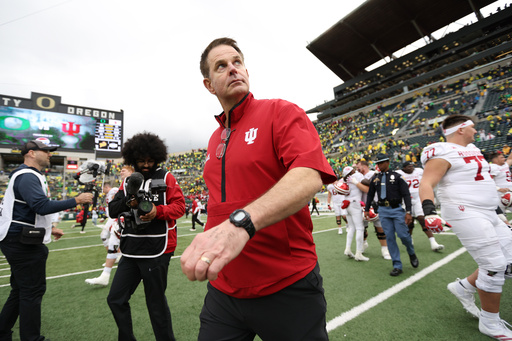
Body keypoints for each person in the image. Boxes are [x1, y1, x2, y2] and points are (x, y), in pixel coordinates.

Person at [181, 37, 336, 340]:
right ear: (209, 85)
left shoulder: (280, 112)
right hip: (223, 290)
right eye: (221, 66)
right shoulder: (214, 140)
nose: (233, 69)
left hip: (286, 285)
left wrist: (242, 224)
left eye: (237, 62)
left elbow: (309, 175)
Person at [419, 114, 512, 339]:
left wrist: (500, 202)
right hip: (465, 211)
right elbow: (427, 182)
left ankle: (463, 287)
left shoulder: (475, 150)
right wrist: (430, 212)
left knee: (508, 261)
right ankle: (489, 323)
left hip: (488, 211)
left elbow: (483, 184)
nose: (475, 131)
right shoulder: (443, 150)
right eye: (472, 127)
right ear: (461, 129)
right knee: (494, 264)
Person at [0, 139, 93, 341]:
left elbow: (28, 209)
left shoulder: (28, 175)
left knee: (20, 290)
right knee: (32, 290)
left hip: (18, 237)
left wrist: (50, 228)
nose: (50, 154)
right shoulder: (27, 176)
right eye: (47, 151)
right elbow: (40, 205)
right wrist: (76, 199)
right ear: (31, 153)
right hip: (21, 240)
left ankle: (3, 332)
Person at [106, 132, 185, 341]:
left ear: (157, 158)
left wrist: (156, 212)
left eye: (150, 160)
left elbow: (179, 207)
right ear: (134, 160)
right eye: (141, 161)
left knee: (156, 303)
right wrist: (128, 202)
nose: (147, 164)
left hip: (158, 249)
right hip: (131, 248)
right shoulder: (127, 182)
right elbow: (113, 210)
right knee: (115, 299)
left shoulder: (166, 177)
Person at [364, 154, 418, 276]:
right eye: (378, 163)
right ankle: (397, 265)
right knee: (389, 237)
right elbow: (370, 195)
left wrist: (408, 211)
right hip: (383, 210)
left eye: (381, 163)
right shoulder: (375, 178)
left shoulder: (398, 177)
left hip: (396, 209)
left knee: (403, 235)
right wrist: (367, 209)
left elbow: (406, 194)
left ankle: (411, 252)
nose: (379, 165)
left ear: (388, 162)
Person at [85, 166, 134, 287]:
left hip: (127, 218)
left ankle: (109, 273)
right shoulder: (123, 185)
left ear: (132, 172)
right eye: (121, 170)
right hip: (118, 218)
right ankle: (106, 274)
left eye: (125, 170)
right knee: (111, 241)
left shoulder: (129, 185)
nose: (121, 171)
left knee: (128, 245)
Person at [395, 161, 444, 252]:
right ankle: (410, 241)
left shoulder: (419, 171)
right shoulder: (398, 173)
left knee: (422, 218)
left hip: (418, 197)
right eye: (409, 166)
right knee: (409, 222)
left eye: (412, 166)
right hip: (405, 199)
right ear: (404, 168)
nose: (411, 167)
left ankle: (433, 242)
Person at [355, 160, 391, 260]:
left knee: (380, 228)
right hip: (362, 205)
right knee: (362, 229)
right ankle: (364, 244)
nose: (357, 169)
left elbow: (370, 187)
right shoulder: (358, 176)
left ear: (364, 166)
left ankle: (385, 249)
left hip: (374, 203)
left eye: (358, 167)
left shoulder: (373, 174)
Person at [341, 166, 369, 261]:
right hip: (355, 203)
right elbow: (367, 182)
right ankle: (358, 253)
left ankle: (348, 249)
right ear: (352, 171)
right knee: (360, 228)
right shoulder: (356, 175)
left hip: (347, 204)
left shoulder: (344, 180)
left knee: (351, 228)